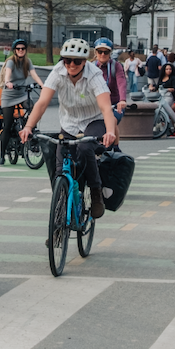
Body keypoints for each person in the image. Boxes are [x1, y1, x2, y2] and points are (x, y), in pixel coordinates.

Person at [20, 38, 119, 219]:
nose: (71, 65)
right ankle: (59, 218)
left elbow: (106, 107)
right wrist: (28, 127)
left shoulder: (94, 75)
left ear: (85, 61)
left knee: (84, 147)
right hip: (69, 123)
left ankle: (96, 192)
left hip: (94, 121)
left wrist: (110, 131)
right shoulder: (57, 72)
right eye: (67, 60)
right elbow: (42, 103)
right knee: (59, 168)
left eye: (77, 61)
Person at [0, 38, 44, 164]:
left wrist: (43, 86)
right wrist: (8, 82)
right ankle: (2, 155)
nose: (20, 51)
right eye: (18, 49)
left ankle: (29, 128)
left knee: (33, 107)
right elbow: (7, 74)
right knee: (7, 125)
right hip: (9, 95)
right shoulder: (11, 62)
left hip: (22, 93)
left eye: (23, 49)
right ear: (14, 50)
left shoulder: (27, 62)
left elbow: (34, 74)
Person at [92, 38, 127, 122]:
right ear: (95, 53)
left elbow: (121, 82)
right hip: (96, 106)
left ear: (110, 53)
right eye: (100, 52)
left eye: (106, 52)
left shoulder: (116, 66)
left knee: (112, 121)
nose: (103, 54)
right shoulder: (91, 67)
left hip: (114, 104)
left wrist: (122, 100)